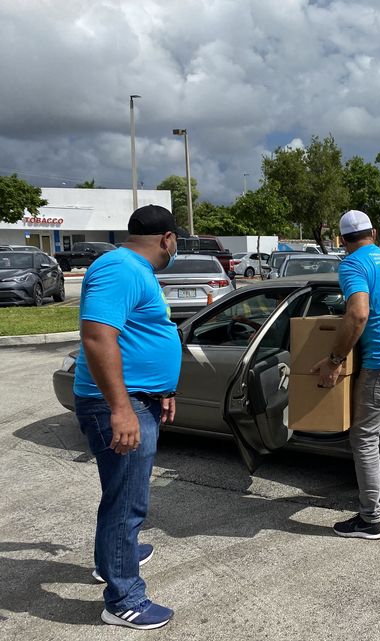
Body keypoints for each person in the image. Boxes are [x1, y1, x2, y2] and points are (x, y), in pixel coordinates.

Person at [74, 204, 182, 629]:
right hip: (119, 403)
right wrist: (121, 408)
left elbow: (139, 334)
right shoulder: (120, 268)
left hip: (141, 397)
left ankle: (115, 556)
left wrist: (163, 390)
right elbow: (97, 336)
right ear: (167, 239)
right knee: (127, 503)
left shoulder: (134, 269)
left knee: (121, 494)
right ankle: (123, 599)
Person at [312, 210, 380, 540]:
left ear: (343, 240)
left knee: (362, 436)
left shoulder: (353, 264)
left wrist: (334, 360)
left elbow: (358, 314)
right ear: (373, 232)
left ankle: (370, 518)